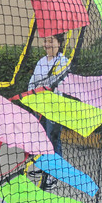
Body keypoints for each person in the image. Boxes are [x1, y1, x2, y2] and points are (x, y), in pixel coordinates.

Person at [28, 32, 69, 189]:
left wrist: (43, 88)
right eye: (45, 41)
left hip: (55, 108)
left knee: (53, 140)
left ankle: (54, 174)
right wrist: (31, 96)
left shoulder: (63, 62)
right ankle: (44, 167)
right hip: (40, 106)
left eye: (50, 41)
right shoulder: (41, 61)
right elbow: (33, 81)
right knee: (42, 139)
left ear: (58, 43)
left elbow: (56, 83)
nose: (47, 44)